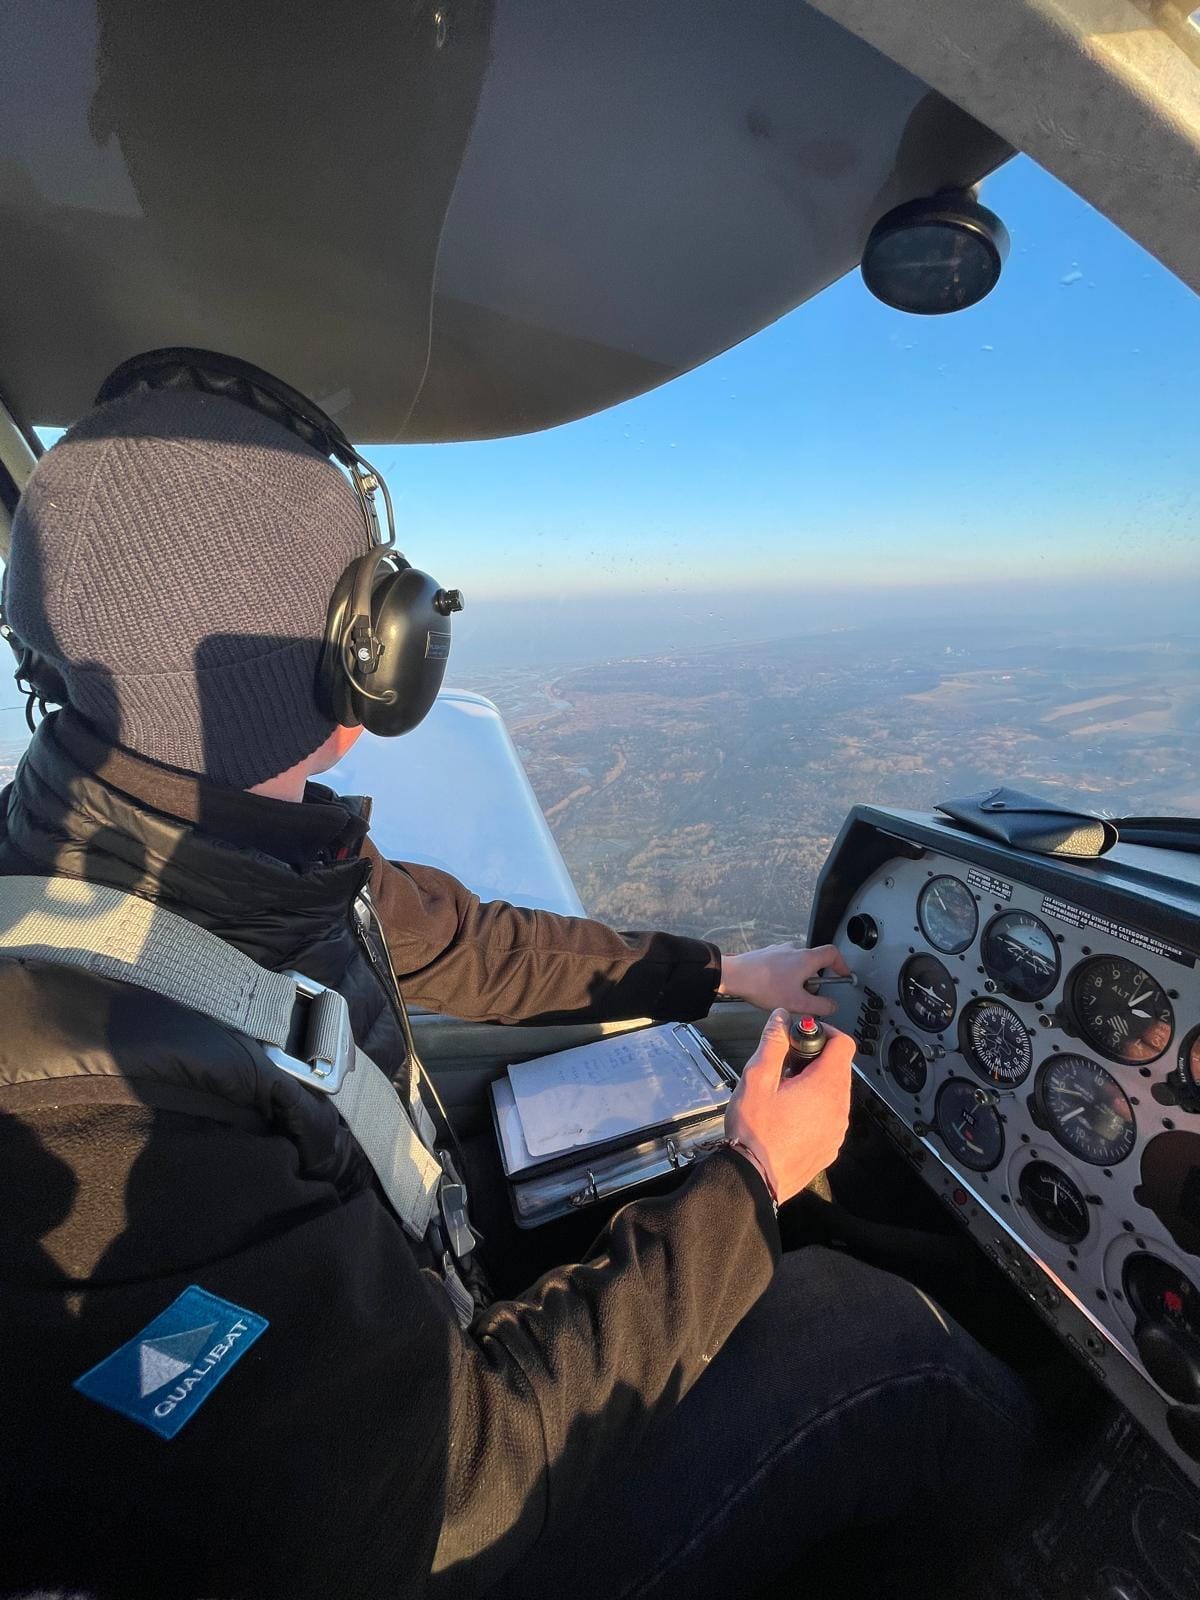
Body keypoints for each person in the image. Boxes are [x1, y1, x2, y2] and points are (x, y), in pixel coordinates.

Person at [0, 376, 1041, 1600]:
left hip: (396, 1322)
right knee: (877, 1342)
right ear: (358, 656)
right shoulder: (97, 1118)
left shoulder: (213, 849)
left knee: (716, 1179)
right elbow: (448, 1494)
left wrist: (724, 973)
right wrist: (749, 1175)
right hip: (438, 1528)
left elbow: (467, 942)